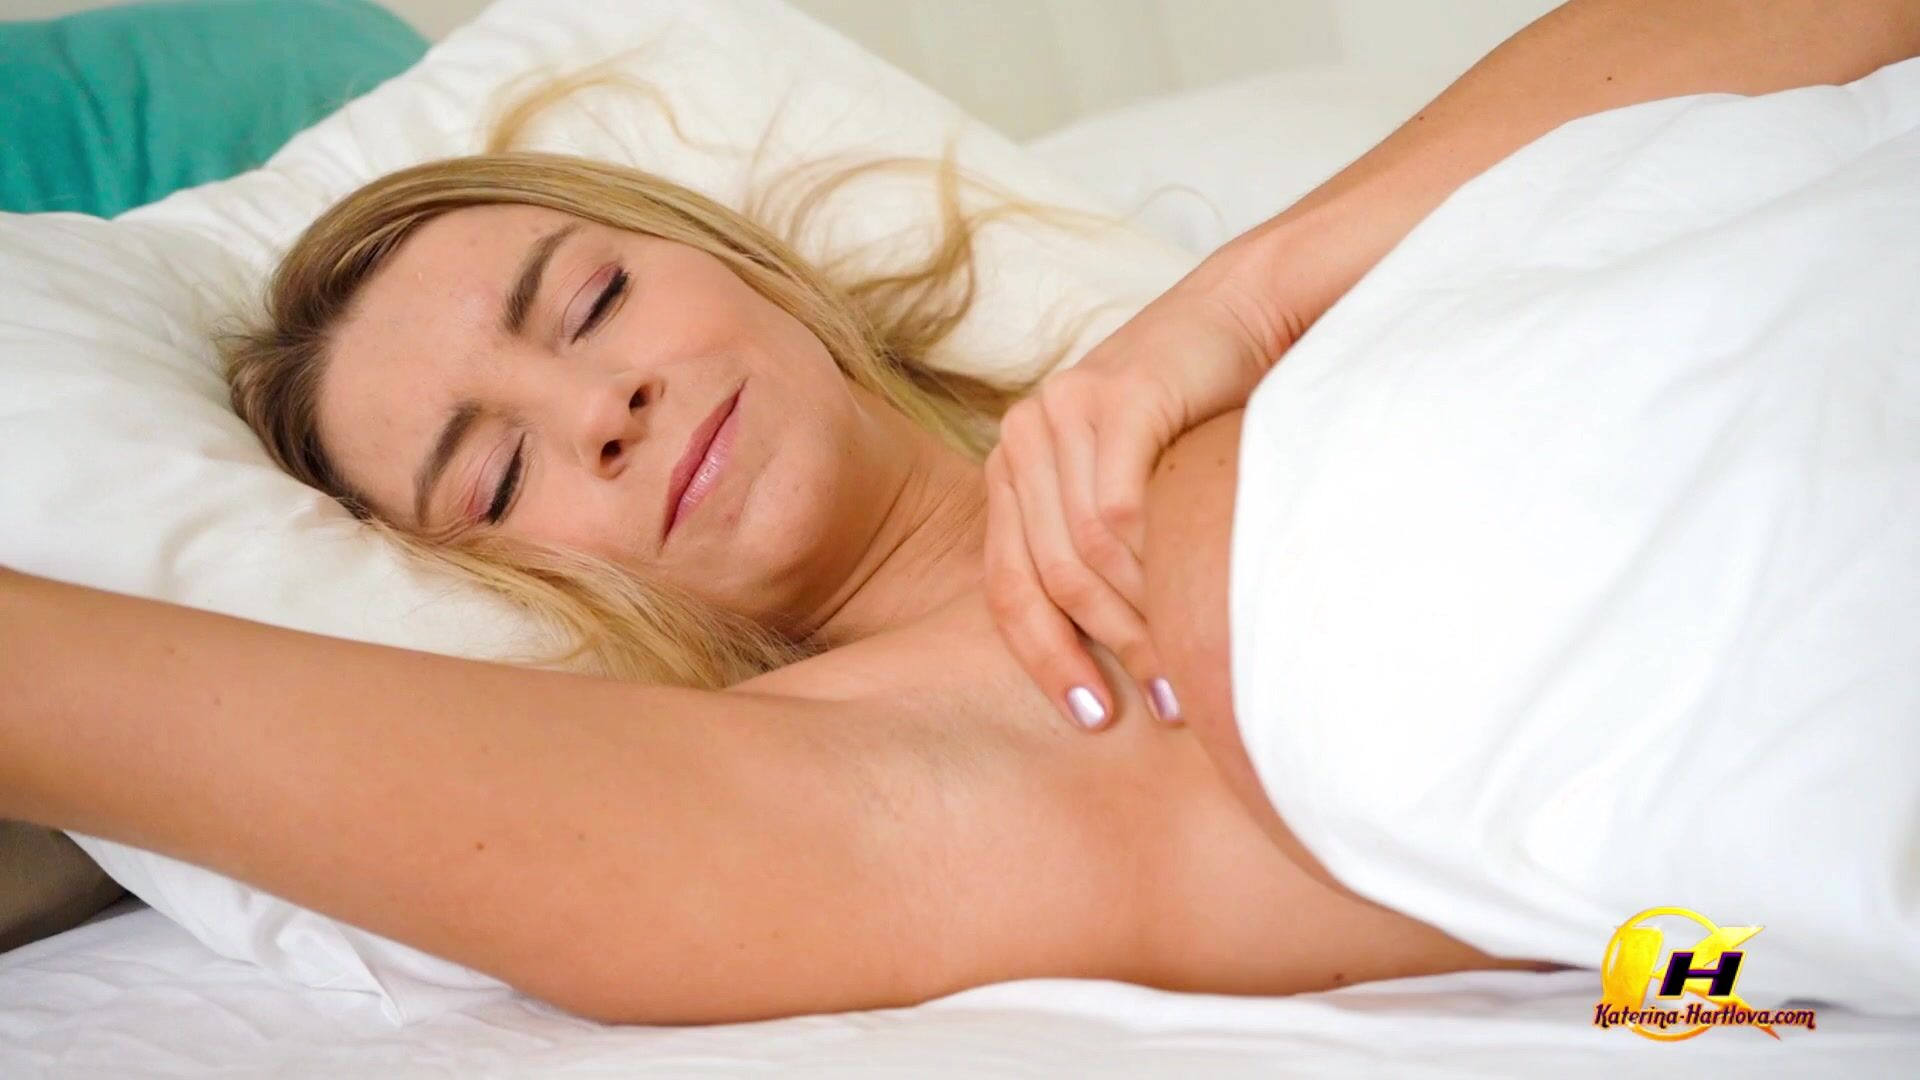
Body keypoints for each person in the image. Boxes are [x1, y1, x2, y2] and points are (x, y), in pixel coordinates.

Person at [2, 0, 1911, 1027]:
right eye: (495, 477)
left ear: (750, 266)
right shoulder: (895, 763)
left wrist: (1232, 311)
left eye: (590, 303)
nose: (602, 409)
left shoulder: (1280, 303)